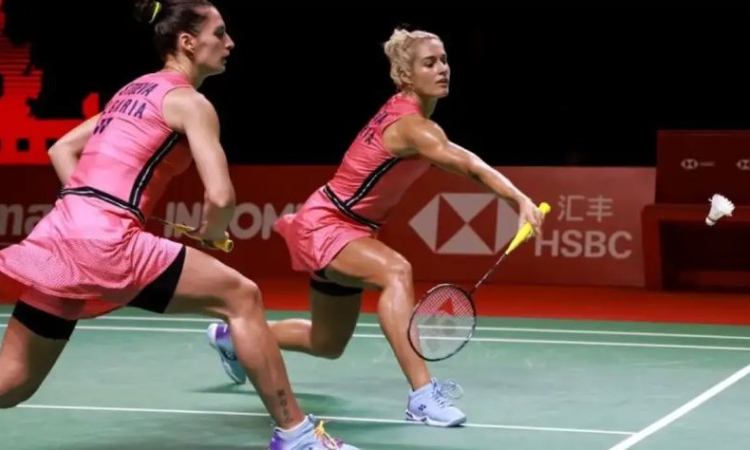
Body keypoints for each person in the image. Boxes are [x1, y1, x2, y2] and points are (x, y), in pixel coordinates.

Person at [0, 1, 360, 449]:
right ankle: (297, 435)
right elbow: (221, 197)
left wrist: (88, 206)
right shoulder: (191, 103)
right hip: (109, 243)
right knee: (242, 297)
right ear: (188, 42)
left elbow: (61, 149)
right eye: (219, 33)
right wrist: (213, 231)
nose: (230, 43)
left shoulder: (131, 91)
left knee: (13, 381)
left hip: (59, 235)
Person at [206, 27, 545, 427]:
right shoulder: (413, 127)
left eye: (444, 60)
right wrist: (518, 199)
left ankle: (233, 339)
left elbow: (459, 159)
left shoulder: (411, 119)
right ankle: (422, 396)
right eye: (429, 63)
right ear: (405, 75)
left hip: (344, 226)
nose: (442, 69)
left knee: (326, 342)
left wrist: (514, 196)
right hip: (329, 225)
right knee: (396, 271)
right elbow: (467, 164)